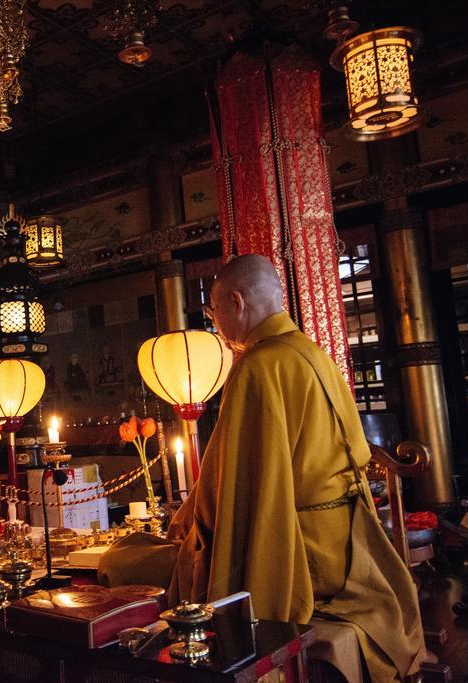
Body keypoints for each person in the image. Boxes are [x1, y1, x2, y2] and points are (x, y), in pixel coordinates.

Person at [101, 254, 424, 681]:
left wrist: (193, 526)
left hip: (299, 555)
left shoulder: (260, 364)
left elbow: (237, 489)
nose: (218, 326)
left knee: (122, 560)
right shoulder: (311, 353)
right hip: (346, 544)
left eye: (215, 313)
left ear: (235, 302)